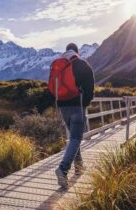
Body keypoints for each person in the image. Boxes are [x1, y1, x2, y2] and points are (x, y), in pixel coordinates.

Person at [49, 43, 95, 189]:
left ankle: (79, 166)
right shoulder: (82, 64)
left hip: (63, 106)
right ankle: (63, 169)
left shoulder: (58, 64)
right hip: (77, 106)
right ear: (76, 51)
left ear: (66, 50)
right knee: (76, 138)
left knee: (74, 137)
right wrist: (85, 103)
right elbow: (90, 88)